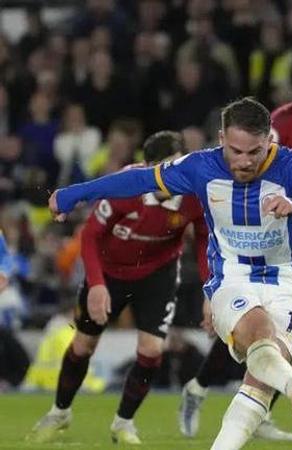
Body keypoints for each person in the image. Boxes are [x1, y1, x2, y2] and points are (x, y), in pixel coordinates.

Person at [46, 97, 292, 450]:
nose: (245, 162)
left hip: (288, 281)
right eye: (236, 151)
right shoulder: (200, 167)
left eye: (255, 152)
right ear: (221, 139)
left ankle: (283, 392)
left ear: (269, 141)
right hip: (232, 277)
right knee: (259, 334)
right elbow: (137, 181)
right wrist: (73, 194)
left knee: (261, 380)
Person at [179, 53, 292, 442]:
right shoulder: (281, 122)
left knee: (284, 337)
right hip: (253, 243)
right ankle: (200, 387)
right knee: (251, 331)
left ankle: (266, 408)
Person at [28, 131, 209, 445]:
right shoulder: (128, 187)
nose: (173, 175)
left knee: (152, 350)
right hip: (110, 271)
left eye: (177, 166)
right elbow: (90, 236)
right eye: (166, 168)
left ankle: (123, 423)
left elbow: (205, 236)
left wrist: (210, 290)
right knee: (84, 345)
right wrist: (97, 285)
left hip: (159, 272)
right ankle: (60, 412)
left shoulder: (195, 192)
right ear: (149, 166)